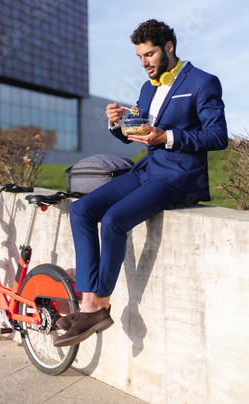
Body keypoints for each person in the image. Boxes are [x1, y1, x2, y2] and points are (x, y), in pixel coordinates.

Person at [54, 19, 228, 348]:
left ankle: (97, 305)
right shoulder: (147, 88)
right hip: (147, 169)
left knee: (116, 220)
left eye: (149, 55)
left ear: (169, 48)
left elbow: (218, 136)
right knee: (82, 211)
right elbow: (134, 129)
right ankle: (89, 302)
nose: (145, 62)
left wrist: (168, 136)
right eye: (139, 57)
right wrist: (117, 123)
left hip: (179, 176)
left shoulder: (203, 82)